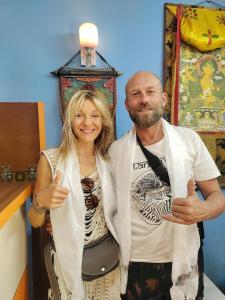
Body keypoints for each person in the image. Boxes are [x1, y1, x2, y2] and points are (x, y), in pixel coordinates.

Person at [109, 71, 225, 300]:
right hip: (134, 263)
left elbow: (215, 194)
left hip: (182, 259)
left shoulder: (188, 140)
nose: (144, 99)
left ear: (163, 98)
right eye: (135, 94)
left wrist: (206, 209)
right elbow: (107, 207)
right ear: (126, 104)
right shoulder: (115, 151)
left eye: (150, 92)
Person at [28, 90, 120, 300]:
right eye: (79, 115)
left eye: (95, 115)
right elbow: (34, 221)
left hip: (109, 262)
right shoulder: (50, 160)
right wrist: (41, 202)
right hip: (67, 263)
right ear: (70, 119)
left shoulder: (111, 160)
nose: (87, 122)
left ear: (104, 121)